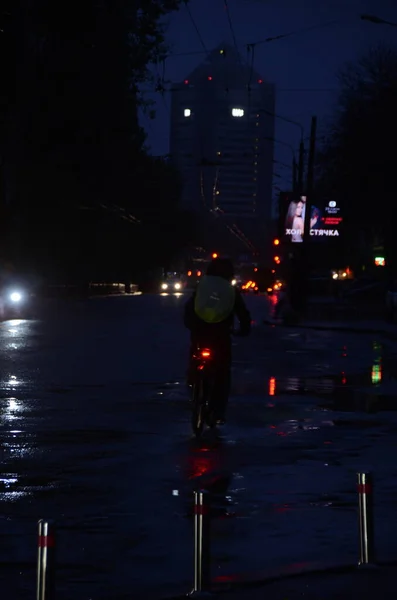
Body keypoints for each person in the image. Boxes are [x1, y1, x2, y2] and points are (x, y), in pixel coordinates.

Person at [184, 257, 251, 423]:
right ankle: (218, 412)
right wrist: (243, 330)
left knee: (195, 357)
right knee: (222, 373)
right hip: (220, 335)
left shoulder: (203, 286)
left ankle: (193, 383)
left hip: (200, 332)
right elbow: (243, 314)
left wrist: (191, 324)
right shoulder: (231, 290)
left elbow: (190, 307)